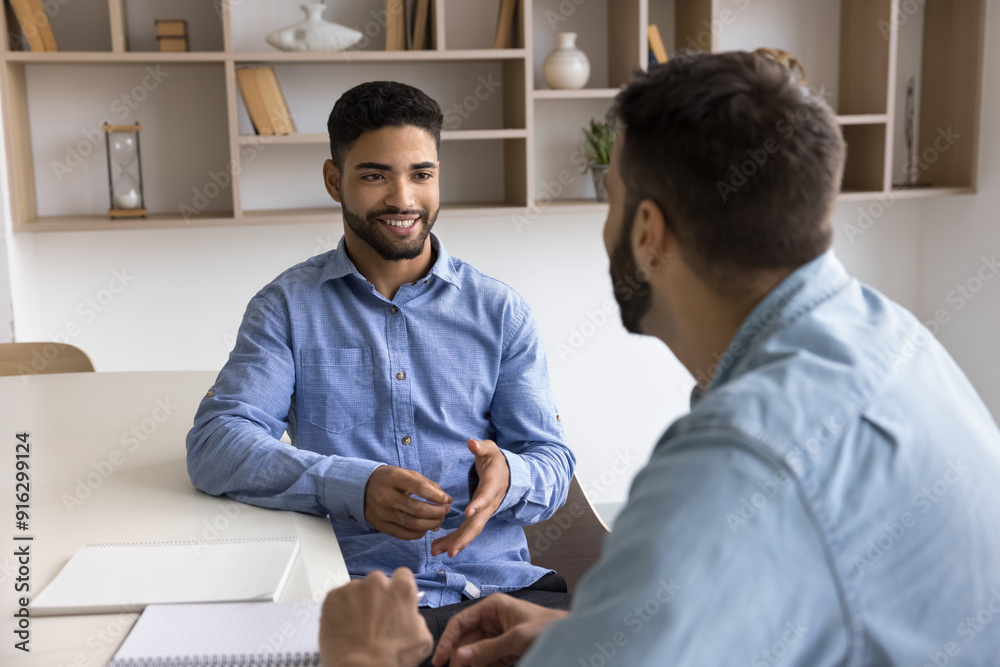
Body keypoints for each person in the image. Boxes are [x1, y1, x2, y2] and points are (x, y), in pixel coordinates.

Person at [315, 51, 1000, 666]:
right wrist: (586, 634)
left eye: (611, 195)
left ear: (648, 232)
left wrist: (362, 659)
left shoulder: (735, 453)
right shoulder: (900, 339)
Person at [185, 81, 576, 636]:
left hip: (500, 596)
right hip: (360, 608)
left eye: (422, 174)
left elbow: (552, 462)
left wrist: (511, 475)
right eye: (375, 175)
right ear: (333, 180)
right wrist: (349, 486)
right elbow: (216, 443)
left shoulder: (500, 311)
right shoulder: (286, 308)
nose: (403, 199)